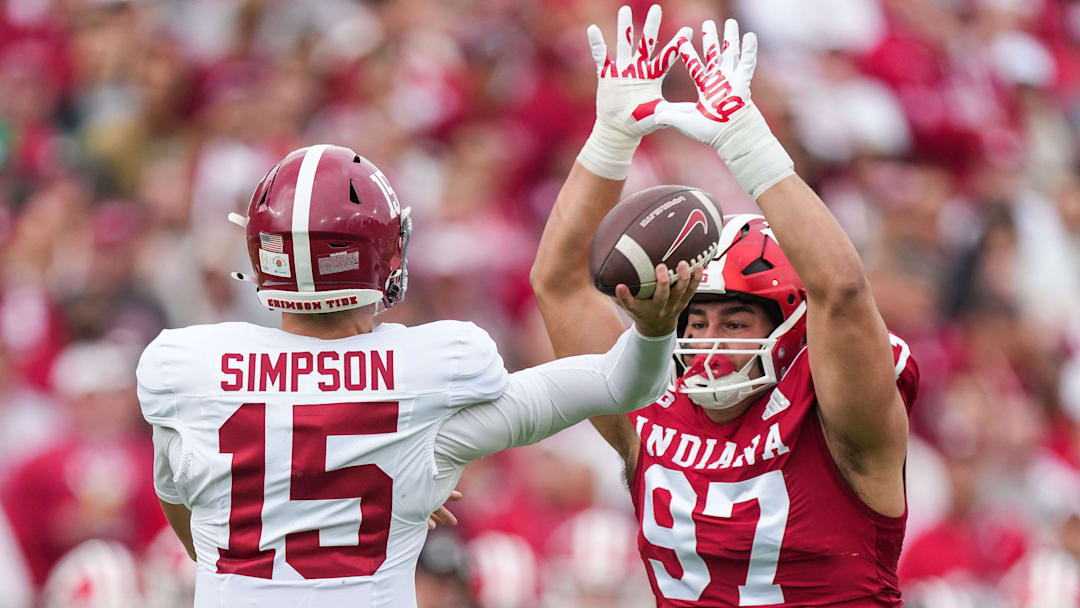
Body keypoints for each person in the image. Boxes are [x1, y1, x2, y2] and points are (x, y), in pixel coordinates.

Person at [137, 143, 702, 608]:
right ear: (386, 252)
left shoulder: (185, 371)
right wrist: (655, 328)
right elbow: (622, 384)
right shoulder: (433, 372)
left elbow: (180, 500)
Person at [530, 6, 919, 606]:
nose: (708, 342)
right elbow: (557, 282)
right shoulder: (647, 402)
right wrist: (611, 138)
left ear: (790, 325)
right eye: (697, 318)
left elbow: (840, 292)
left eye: (736, 321)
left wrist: (745, 143)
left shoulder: (838, 423)